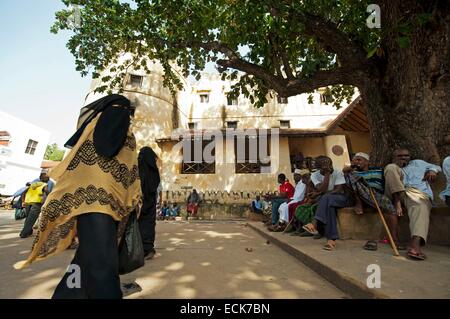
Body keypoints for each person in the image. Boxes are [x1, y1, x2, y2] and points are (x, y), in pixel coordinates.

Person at [14, 94, 142, 299]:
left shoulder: (109, 133)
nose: (126, 117)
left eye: (128, 113)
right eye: (122, 111)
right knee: (102, 266)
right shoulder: (96, 135)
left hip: (108, 209)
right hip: (93, 208)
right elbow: (93, 164)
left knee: (86, 260)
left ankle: (65, 295)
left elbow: (125, 172)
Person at [384, 148, 441, 260]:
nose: (404, 158)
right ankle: (397, 202)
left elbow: (436, 166)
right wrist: (397, 200)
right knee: (390, 168)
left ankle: (415, 245)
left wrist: (433, 171)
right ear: (394, 157)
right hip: (396, 193)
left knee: (420, 205)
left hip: (416, 193)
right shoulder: (393, 167)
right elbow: (391, 175)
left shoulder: (418, 163)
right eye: (400, 156)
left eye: (406, 155)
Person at [343, 152, 403, 251]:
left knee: (390, 209)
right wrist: (352, 166)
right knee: (350, 175)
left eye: (359, 160)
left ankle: (394, 239)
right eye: (354, 160)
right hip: (360, 195)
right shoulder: (353, 172)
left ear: (367, 162)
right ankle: (359, 203)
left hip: (378, 195)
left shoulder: (379, 170)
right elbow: (345, 170)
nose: (356, 162)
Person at [302, 156, 351, 251]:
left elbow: (338, 190)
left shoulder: (337, 172)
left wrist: (320, 193)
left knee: (325, 197)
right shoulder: (314, 175)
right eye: (325, 166)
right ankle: (331, 240)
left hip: (340, 198)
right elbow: (322, 189)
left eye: (329, 165)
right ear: (319, 166)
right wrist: (327, 175)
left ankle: (314, 223)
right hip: (327, 200)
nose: (329, 167)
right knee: (329, 208)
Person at [138, 146, 160, 260]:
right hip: (150, 202)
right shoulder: (154, 170)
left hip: (142, 202)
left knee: (142, 225)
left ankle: (145, 250)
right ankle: (148, 249)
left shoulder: (140, 168)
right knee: (148, 225)